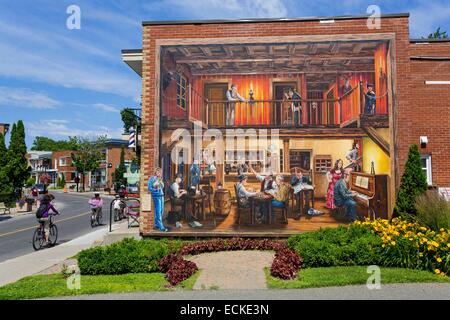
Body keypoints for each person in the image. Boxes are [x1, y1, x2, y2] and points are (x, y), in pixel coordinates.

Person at [148, 167, 168, 232]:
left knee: (161, 211)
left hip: (161, 196)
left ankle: (156, 225)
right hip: (156, 196)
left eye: (160, 172)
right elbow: (149, 188)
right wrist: (155, 190)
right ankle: (161, 227)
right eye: (158, 172)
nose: (159, 173)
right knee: (158, 211)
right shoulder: (152, 178)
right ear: (155, 172)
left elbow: (162, 186)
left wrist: (160, 181)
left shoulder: (160, 179)